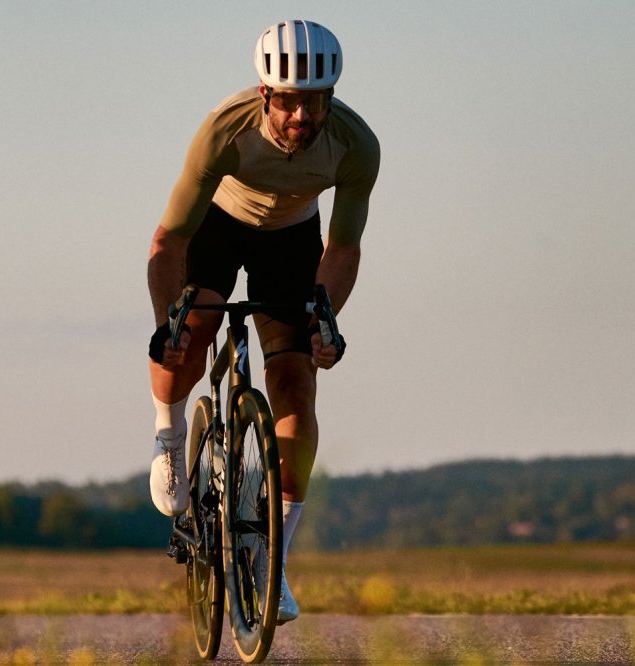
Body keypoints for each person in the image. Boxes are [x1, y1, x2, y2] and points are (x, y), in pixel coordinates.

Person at [145, 20, 378, 623]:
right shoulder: (225, 131)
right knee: (187, 340)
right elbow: (169, 240)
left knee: (298, 388)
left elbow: (343, 249)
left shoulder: (356, 146)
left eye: (318, 101)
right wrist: (166, 321)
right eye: (292, 101)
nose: (304, 115)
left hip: (292, 239)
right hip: (218, 225)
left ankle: (270, 561)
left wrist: (323, 316)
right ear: (266, 94)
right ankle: (169, 438)